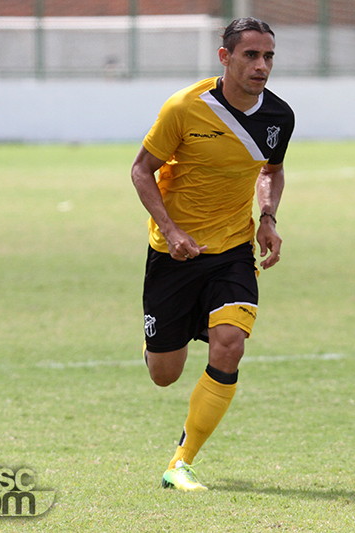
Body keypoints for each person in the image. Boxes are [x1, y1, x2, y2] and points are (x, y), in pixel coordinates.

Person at [130, 17, 294, 491]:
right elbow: (141, 170)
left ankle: (181, 461)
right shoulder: (185, 108)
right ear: (225, 57)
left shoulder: (278, 116)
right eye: (251, 55)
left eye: (268, 56)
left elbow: (272, 171)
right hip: (175, 253)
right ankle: (158, 341)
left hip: (233, 250)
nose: (261, 66)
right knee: (165, 374)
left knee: (230, 343)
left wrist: (267, 218)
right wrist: (170, 229)